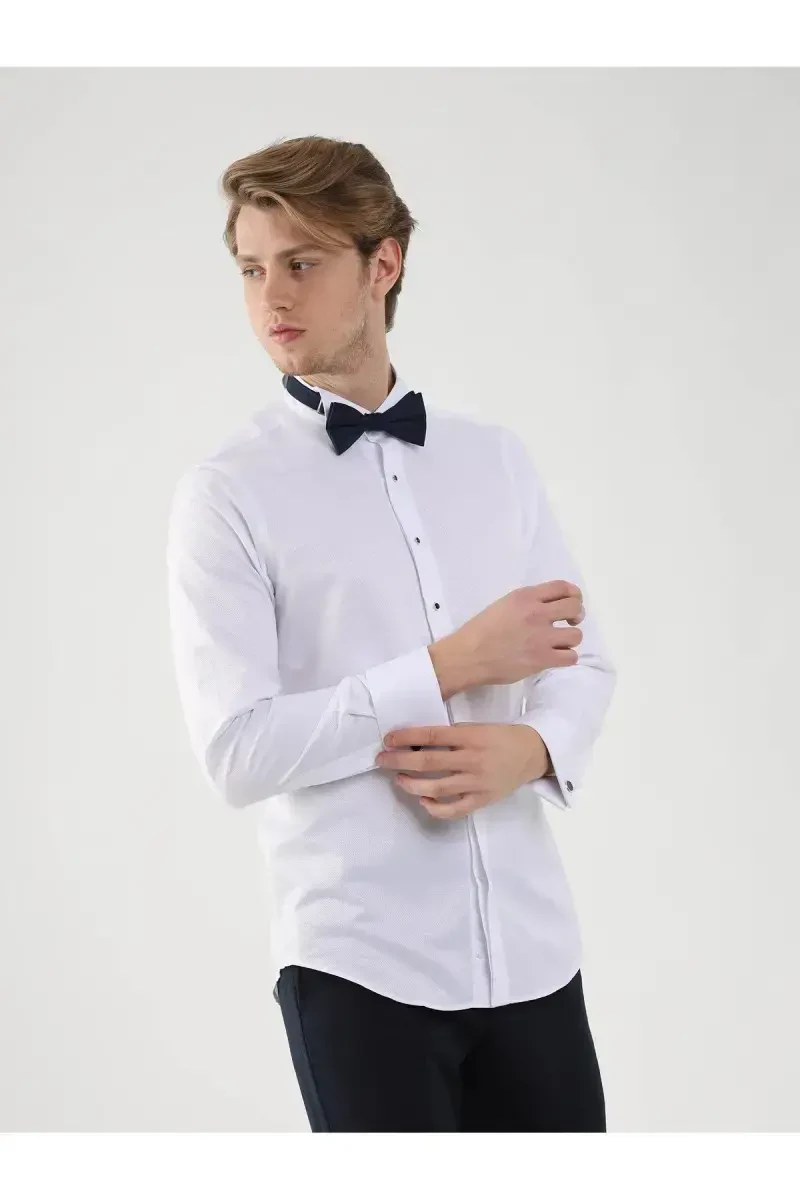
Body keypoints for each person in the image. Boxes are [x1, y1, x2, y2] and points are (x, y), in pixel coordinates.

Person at [166, 134, 617, 1132]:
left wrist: (533, 748)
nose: (271, 298)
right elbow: (236, 751)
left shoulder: (495, 461)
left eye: (300, 262)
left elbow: (581, 658)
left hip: (534, 953)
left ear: (383, 263)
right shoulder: (228, 494)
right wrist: (443, 669)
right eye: (250, 269)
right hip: (359, 968)